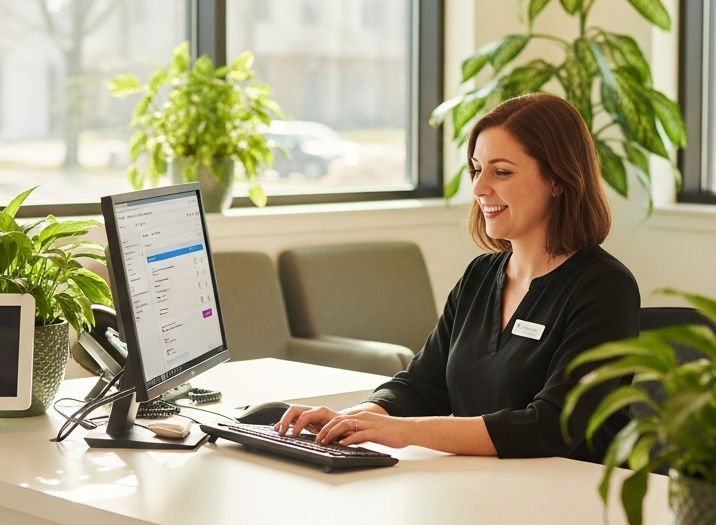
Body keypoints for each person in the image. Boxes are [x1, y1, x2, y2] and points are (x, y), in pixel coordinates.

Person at [274, 93, 640, 460]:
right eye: (477, 169)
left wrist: (403, 432)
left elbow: (549, 427)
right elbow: (422, 384)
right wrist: (352, 420)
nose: (479, 189)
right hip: (485, 487)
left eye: (502, 172)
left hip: (572, 499)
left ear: (558, 180)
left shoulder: (605, 288)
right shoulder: (481, 275)